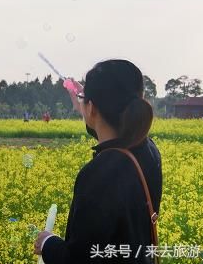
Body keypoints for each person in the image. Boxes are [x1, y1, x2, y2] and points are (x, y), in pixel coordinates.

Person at [34, 60, 162, 263]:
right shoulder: (148, 151)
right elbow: (114, 137)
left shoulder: (98, 175)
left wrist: (48, 243)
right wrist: (85, 106)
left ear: (92, 108)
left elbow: (78, 258)